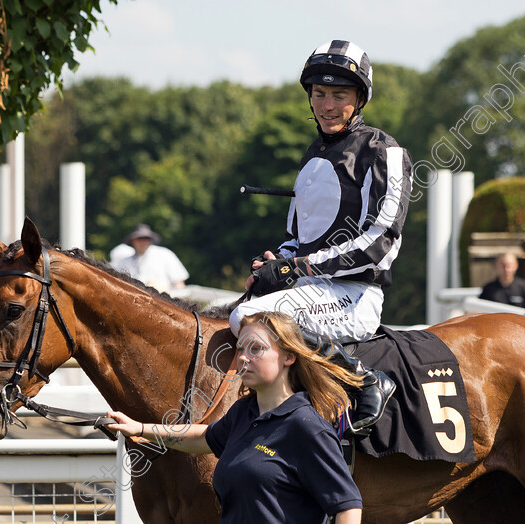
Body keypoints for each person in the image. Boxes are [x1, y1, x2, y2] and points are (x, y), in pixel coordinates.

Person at [229, 40, 413, 433]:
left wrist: (299, 266)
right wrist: (274, 264)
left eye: (339, 95)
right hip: (313, 289)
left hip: (354, 294)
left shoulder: (383, 150)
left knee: (245, 316)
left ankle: (366, 380)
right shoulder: (311, 156)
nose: (327, 106)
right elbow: (296, 238)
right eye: (319, 94)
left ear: (359, 98)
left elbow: (380, 242)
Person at [105, 312, 363, 524]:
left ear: (288, 356)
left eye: (256, 349)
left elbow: (348, 506)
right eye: (240, 349)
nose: (242, 357)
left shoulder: (305, 426)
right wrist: (140, 428)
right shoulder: (244, 412)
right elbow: (203, 437)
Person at [111, 224, 189, 293]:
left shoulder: (165, 254)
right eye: (140, 239)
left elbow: (179, 283)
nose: (143, 242)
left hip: (163, 302)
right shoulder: (124, 262)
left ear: (150, 240)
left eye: (146, 239)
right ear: (132, 241)